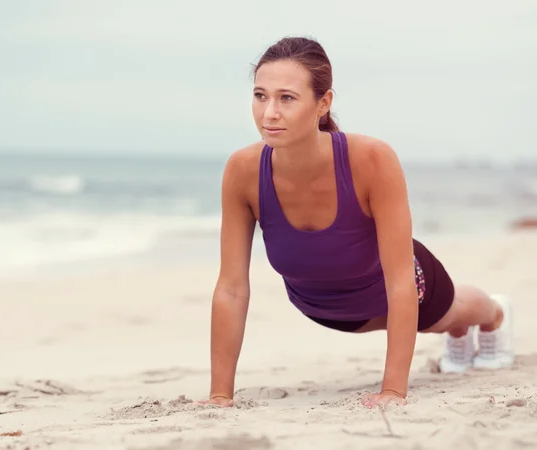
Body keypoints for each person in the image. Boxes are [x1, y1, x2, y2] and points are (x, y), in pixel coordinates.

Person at [201, 36, 514, 409]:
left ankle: (495, 315)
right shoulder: (243, 171)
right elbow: (232, 288)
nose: (269, 113)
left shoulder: (372, 159)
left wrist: (393, 390)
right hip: (328, 309)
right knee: (443, 323)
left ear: (324, 103)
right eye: (260, 96)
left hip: (408, 284)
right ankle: (459, 333)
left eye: (286, 98)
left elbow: (399, 280)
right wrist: (220, 395)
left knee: (446, 316)